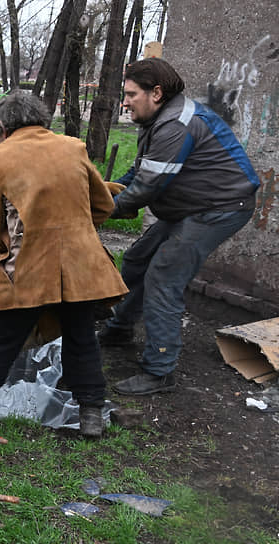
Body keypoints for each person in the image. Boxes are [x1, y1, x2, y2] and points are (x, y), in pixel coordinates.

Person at [0, 93, 128, 438]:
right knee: (81, 336)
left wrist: (10, 247)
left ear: (2, 127)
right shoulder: (73, 147)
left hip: (27, 269)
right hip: (83, 266)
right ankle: (91, 415)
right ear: (42, 121)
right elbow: (103, 206)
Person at [99, 58, 260, 396]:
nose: (124, 101)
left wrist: (97, 211)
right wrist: (105, 190)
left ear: (156, 92)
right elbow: (140, 173)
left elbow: (145, 189)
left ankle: (159, 371)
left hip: (219, 208)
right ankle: (119, 329)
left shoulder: (175, 125)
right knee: (138, 259)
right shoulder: (160, 117)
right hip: (192, 205)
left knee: (163, 275)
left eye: (130, 94)